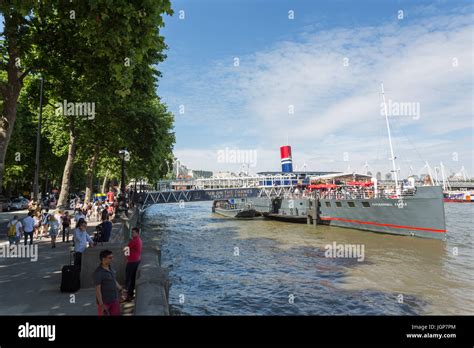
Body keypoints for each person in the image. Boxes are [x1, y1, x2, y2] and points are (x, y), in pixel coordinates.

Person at [94, 249, 123, 316]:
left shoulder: (110, 268)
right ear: (103, 259)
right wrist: (101, 305)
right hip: (105, 302)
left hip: (114, 299)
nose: (112, 259)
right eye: (110, 258)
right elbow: (98, 290)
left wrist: (121, 289)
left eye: (112, 257)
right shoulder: (98, 273)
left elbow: (113, 280)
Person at [123, 227, 142, 302]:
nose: (132, 234)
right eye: (132, 232)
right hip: (137, 261)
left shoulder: (134, 241)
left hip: (132, 262)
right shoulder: (139, 240)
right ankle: (130, 294)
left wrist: (125, 257)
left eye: (133, 232)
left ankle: (126, 295)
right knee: (133, 279)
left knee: (128, 279)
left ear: (137, 233)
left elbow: (126, 249)